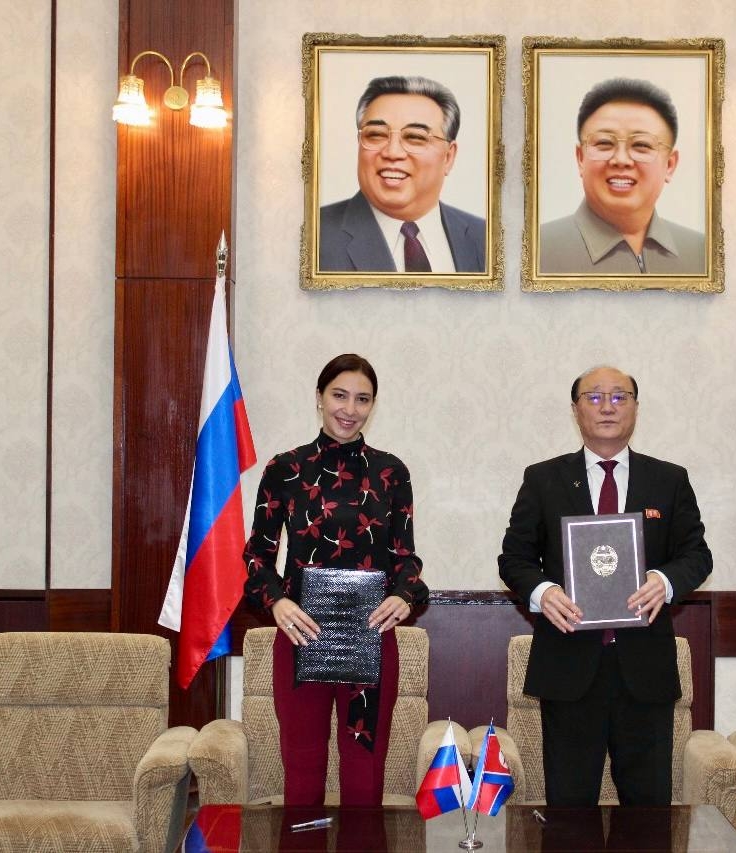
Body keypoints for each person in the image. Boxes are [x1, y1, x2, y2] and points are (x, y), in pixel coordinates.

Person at [498, 365, 712, 806]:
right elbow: (514, 559)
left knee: (649, 813)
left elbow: (697, 555)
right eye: (594, 397)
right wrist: (543, 593)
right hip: (570, 667)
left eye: (620, 396)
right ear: (576, 409)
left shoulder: (669, 480)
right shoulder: (543, 479)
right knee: (569, 813)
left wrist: (665, 581)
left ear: (635, 407)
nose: (608, 406)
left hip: (644, 669)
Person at [243, 353, 429, 806]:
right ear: (320, 399)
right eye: (339, 395)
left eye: (362, 399)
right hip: (300, 637)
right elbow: (256, 559)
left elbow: (406, 561)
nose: (350, 408)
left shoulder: (391, 472)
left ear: (373, 405)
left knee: (365, 777)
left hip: (370, 639)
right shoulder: (284, 469)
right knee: (303, 775)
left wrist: (406, 595)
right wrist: (279, 603)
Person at [318, 75, 486, 274]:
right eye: (376, 135)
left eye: (415, 137)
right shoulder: (315, 234)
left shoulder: (485, 237)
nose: (392, 152)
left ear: (448, 157)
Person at [539, 78, 706, 276]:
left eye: (641, 145)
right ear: (581, 158)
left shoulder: (702, 253)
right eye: (604, 143)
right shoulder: (538, 249)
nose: (621, 160)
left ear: (669, 165)